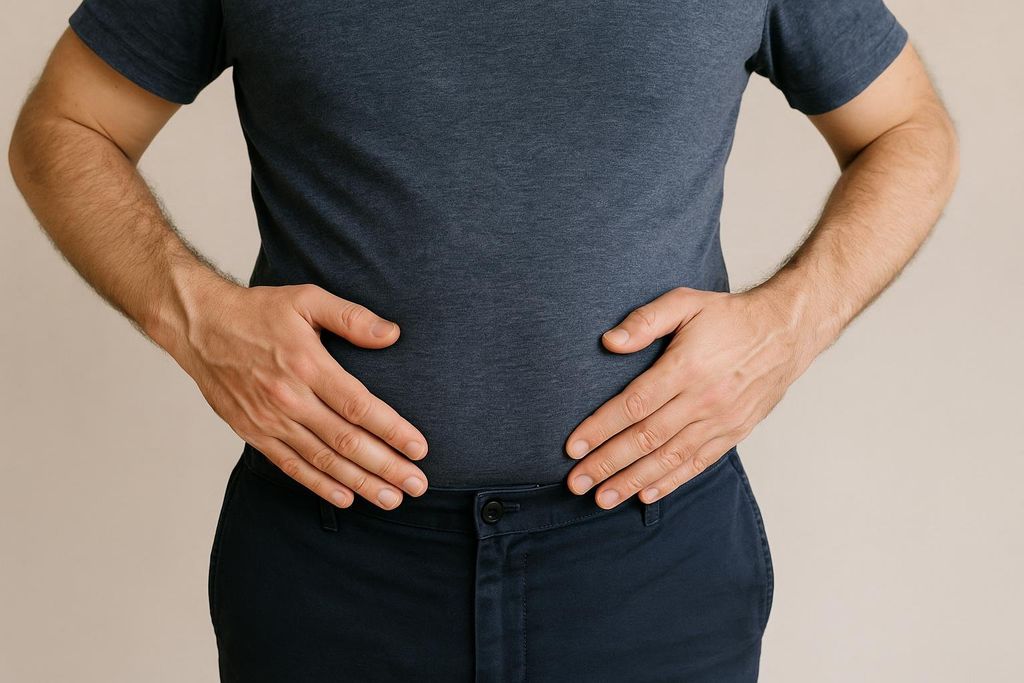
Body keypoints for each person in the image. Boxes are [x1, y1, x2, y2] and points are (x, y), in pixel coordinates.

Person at [8, 0, 958, 680]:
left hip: (649, 565)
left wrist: (790, 325)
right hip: (333, 563)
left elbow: (910, 128)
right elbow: (66, 126)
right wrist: (191, 312)